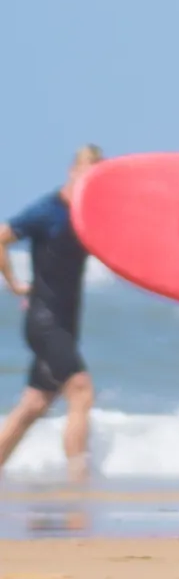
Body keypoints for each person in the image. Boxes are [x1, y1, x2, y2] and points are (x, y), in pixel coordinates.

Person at [0, 145, 104, 486]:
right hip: (45, 322)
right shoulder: (48, 210)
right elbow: (2, 237)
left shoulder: (89, 216)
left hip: (65, 324)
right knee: (81, 390)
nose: (90, 180)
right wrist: (14, 284)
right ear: (72, 170)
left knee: (34, 405)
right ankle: (78, 485)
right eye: (85, 172)